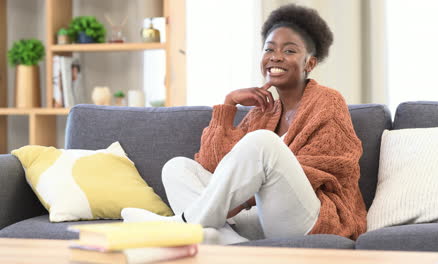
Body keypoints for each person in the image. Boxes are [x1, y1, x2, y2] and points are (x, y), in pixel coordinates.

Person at [122, 4, 367, 244]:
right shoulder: (262, 111)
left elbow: (334, 168)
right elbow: (213, 166)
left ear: (309, 64)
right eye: (269, 49)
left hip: (314, 219)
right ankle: (229, 244)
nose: (276, 57)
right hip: (261, 219)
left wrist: (246, 195)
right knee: (177, 168)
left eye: (290, 51)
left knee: (263, 142)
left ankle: (185, 223)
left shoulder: (328, 101)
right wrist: (229, 105)